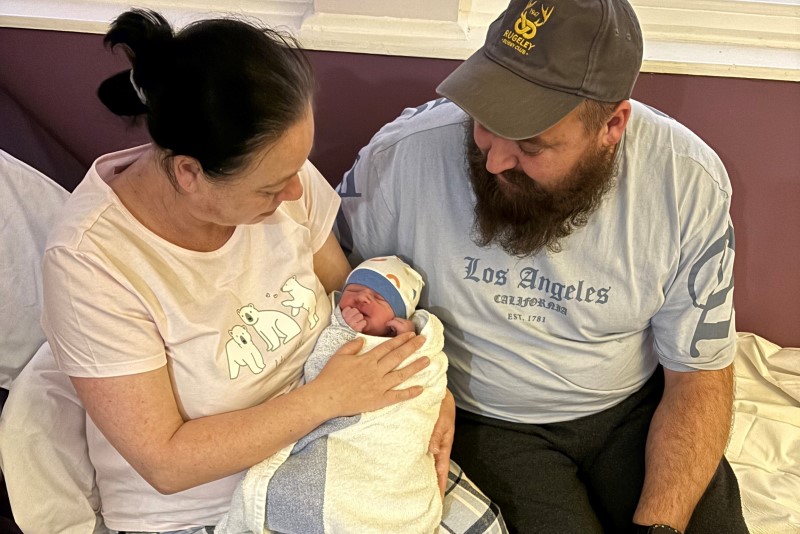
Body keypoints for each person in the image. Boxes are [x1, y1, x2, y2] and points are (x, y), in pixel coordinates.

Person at [335, 0, 748, 533]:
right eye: (484, 121)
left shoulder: (686, 182)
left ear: (613, 125)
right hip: (492, 421)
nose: (494, 159)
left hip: (633, 410)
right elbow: (332, 289)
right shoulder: (399, 160)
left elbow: (698, 377)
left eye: (531, 144)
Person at [39, 9, 449, 532]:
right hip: (202, 508)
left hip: (327, 443)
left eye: (296, 169)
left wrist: (423, 389)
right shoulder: (91, 265)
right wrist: (327, 398)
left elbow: (349, 302)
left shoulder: (277, 172)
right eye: (270, 187)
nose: (295, 194)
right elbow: (166, 462)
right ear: (189, 172)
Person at [217, 255, 457, 533]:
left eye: (378, 298)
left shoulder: (414, 340)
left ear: (399, 317)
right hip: (344, 436)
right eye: (354, 291)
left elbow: (429, 375)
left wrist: (410, 337)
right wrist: (345, 334)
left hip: (388, 440)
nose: (362, 300)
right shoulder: (337, 332)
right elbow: (321, 373)